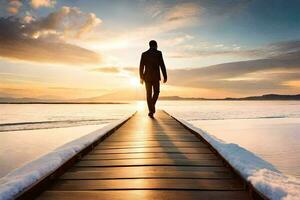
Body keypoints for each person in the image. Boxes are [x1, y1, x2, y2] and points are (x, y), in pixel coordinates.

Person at [139, 40, 167, 118]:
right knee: (156, 92)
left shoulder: (144, 54)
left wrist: (141, 77)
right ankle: (151, 109)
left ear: (149, 45)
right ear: (156, 45)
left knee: (148, 94)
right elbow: (162, 65)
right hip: (155, 76)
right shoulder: (158, 53)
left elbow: (141, 67)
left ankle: (151, 109)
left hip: (146, 77)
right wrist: (165, 76)